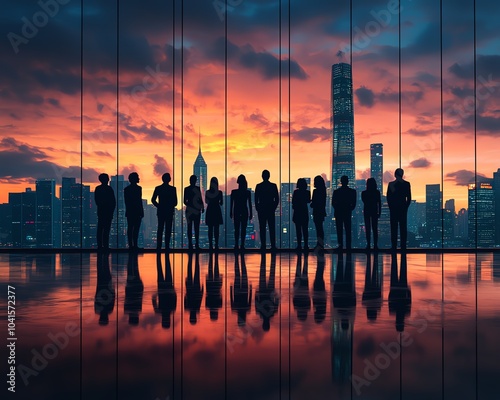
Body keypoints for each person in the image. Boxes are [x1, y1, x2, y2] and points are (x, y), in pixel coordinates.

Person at [151, 172, 177, 251]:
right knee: (168, 229)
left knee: (160, 228)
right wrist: (170, 206)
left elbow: (153, 200)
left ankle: (159, 246)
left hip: (161, 211)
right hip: (169, 211)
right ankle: (167, 246)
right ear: (169, 179)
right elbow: (175, 202)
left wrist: (159, 206)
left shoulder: (158, 188)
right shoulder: (172, 189)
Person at [387, 168, 411, 250]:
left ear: (395, 174)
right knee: (403, 228)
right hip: (402, 209)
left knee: (394, 228)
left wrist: (391, 208)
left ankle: (394, 246)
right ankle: (403, 245)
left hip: (394, 209)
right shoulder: (406, 184)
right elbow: (409, 198)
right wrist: (406, 207)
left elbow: (388, 198)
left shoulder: (391, 184)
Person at [255, 169, 279, 251]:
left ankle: (263, 245)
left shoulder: (259, 186)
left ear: (262, 176)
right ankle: (273, 245)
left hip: (262, 209)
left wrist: (258, 208)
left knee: (262, 228)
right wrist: (274, 207)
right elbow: (277, 199)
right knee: (271, 228)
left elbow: (256, 199)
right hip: (270, 209)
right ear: (269, 176)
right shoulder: (273, 186)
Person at [331, 175, 356, 250]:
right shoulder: (352, 192)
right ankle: (348, 246)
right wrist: (349, 209)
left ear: (341, 182)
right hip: (347, 212)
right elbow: (354, 203)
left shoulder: (336, 192)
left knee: (339, 229)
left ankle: (340, 245)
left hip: (339, 212)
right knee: (348, 229)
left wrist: (338, 208)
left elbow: (333, 203)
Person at [230, 174, 252, 250]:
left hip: (236, 210)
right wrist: (251, 213)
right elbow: (249, 204)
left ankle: (236, 245)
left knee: (237, 229)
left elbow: (231, 204)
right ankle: (242, 245)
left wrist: (231, 212)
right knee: (243, 229)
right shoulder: (247, 192)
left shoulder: (234, 192)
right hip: (244, 211)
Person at [94, 173, 116, 251]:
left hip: (102, 211)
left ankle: (100, 246)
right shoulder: (109, 189)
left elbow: (97, 201)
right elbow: (113, 202)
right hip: (107, 212)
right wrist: (111, 210)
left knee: (101, 229)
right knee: (106, 229)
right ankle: (105, 246)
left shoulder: (98, 189)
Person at [124, 172, 144, 251]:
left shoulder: (127, 189)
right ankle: (134, 245)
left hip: (130, 211)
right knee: (135, 229)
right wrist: (141, 211)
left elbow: (127, 202)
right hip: (136, 211)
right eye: (137, 177)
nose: (139, 178)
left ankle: (131, 245)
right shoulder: (138, 188)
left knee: (131, 228)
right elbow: (139, 201)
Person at [184, 175, 204, 250]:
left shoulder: (186, 189)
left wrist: (190, 205)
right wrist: (201, 207)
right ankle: (196, 245)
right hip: (196, 210)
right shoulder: (197, 189)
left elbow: (184, 201)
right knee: (196, 228)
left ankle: (190, 245)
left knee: (190, 227)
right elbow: (200, 199)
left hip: (189, 210)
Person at [362, 177, 382, 250]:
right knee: (375, 228)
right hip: (374, 211)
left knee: (368, 228)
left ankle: (368, 245)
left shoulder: (364, 193)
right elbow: (379, 203)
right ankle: (375, 245)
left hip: (367, 211)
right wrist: (379, 212)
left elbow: (364, 202)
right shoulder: (377, 192)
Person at [292, 178, 311, 251]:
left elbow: (293, 202)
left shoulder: (296, 192)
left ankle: (299, 245)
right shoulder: (307, 192)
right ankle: (306, 245)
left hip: (297, 212)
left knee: (298, 230)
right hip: (304, 212)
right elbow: (308, 201)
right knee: (305, 229)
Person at [205, 177, 223, 250]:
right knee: (216, 229)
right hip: (217, 210)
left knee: (210, 229)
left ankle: (210, 245)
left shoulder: (207, 192)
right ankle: (216, 244)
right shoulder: (220, 192)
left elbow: (206, 201)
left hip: (210, 210)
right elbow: (221, 203)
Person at [310, 175, 327, 249]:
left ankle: (319, 244)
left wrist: (312, 204)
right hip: (321, 211)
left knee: (318, 228)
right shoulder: (324, 190)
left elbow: (313, 202)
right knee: (320, 228)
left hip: (316, 211)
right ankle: (321, 243)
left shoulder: (316, 191)